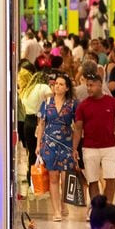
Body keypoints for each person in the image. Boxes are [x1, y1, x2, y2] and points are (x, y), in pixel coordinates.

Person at [75, 71, 115, 202]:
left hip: (110, 147)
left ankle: (107, 206)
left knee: (110, 178)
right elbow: (78, 128)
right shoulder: (83, 105)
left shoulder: (112, 102)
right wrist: (74, 148)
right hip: (89, 147)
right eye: (87, 85)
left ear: (100, 85)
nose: (89, 88)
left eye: (91, 85)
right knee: (92, 180)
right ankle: (96, 207)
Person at [36, 73, 78, 221]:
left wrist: (75, 147)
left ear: (67, 88)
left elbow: (78, 125)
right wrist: (38, 144)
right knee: (53, 177)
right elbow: (41, 124)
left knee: (65, 178)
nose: (57, 86)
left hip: (66, 143)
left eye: (61, 84)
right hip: (49, 143)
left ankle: (63, 204)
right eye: (56, 84)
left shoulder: (72, 104)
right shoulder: (47, 102)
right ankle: (56, 211)